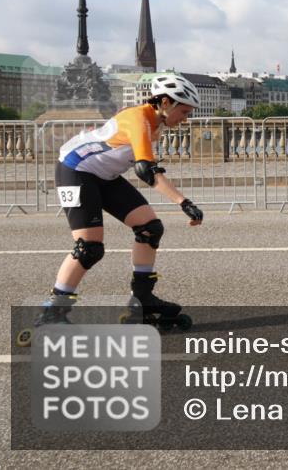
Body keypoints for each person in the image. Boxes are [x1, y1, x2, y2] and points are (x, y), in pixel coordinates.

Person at [36, 73, 204, 328]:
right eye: (184, 112)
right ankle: (52, 312)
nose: (186, 119)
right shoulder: (139, 120)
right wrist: (184, 202)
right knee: (89, 247)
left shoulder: (156, 122)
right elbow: (146, 172)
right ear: (166, 103)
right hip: (75, 170)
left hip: (103, 174)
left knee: (150, 229)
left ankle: (142, 301)